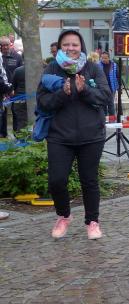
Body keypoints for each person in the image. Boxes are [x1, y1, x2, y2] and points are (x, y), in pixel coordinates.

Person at [38, 30, 112, 240]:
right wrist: (62, 93)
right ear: (60, 47)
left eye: (75, 44)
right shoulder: (51, 69)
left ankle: (92, 221)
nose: (70, 48)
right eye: (66, 44)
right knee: (56, 180)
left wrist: (84, 91)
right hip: (59, 136)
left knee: (89, 180)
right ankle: (64, 215)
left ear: (82, 47)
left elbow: (106, 96)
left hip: (91, 135)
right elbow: (42, 102)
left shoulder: (93, 68)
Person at [1, 36, 23, 138]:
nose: (5, 47)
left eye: (7, 45)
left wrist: (15, 88)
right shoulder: (0, 56)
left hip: (14, 89)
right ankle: (3, 133)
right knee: (2, 112)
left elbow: (21, 73)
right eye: (2, 45)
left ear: (10, 45)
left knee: (15, 111)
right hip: (2, 89)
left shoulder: (17, 57)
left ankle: (16, 133)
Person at [99, 51, 118, 116]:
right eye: (102, 58)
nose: (103, 59)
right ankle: (104, 118)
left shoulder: (114, 65)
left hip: (111, 88)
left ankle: (112, 118)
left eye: (105, 58)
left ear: (109, 58)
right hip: (102, 88)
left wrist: (118, 87)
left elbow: (117, 76)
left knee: (111, 104)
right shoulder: (98, 65)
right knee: (103, 104)